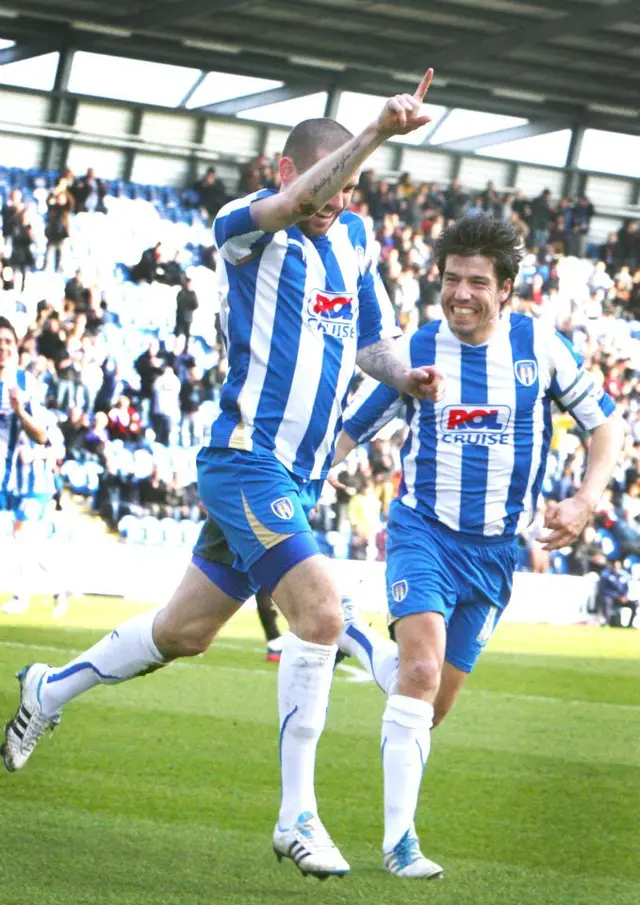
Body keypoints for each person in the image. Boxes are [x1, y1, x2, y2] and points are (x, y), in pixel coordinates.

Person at [2, 71, 445, 880]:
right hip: (246, 460)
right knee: (317, 613)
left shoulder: (352, 242)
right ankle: (296, 816)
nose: (333, 206)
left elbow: (375, 342)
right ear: (290, 174)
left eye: (345, 195)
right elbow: (290, 206)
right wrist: (375, 134)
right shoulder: (247, 227)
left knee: (184, 633)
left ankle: (49, 687)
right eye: (325, 189)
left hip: (299, 477)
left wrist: (406, 377)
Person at [330, 215, 624, 878]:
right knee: (423, 670)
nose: (460, 292)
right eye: (450, 279)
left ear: (507, 288)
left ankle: (357, 639)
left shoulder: (540, 347)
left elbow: (606, 429)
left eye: (476, 282)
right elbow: (350, 430)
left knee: (429, 707)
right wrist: (300, 479)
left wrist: (584, 498)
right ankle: (399, 841)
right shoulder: (418, 350)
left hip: (495, 555)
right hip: (422, 530)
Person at [0, 317, 48, 611]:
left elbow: (41, 435)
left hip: (25, 477)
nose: (2, 347)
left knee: (21, 537)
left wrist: (19, 410)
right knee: (21, 540)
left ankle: (22, 595)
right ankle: (63, 585)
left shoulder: (25, 384)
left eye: (7, 342)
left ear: (16, 346)